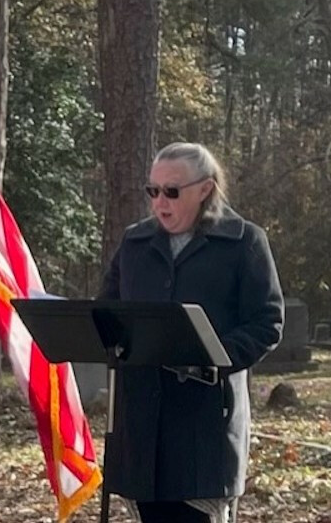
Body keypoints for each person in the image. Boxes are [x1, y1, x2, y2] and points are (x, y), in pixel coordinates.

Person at [98, 142, 284, 523]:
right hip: (141, 426)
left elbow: (268, 321)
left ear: (205, 189)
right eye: (153, 191)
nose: (159, 202)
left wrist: (212, 354)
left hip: (205, 425)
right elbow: (108, 311)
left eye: (172, 191)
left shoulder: (244, 242)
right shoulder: (135, 245)